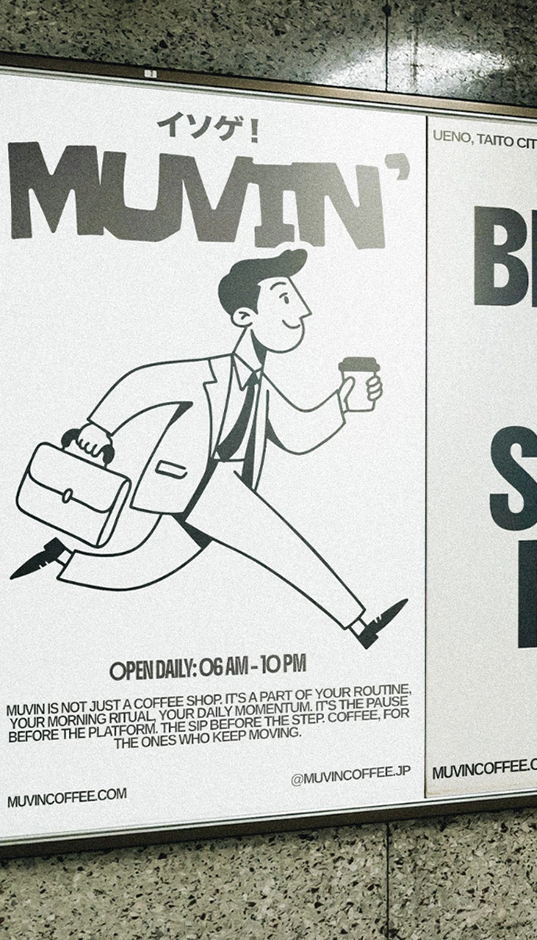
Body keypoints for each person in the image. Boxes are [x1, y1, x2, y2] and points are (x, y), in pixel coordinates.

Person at [11, 248, 406, 648]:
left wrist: (342, 403)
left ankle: (61, 557)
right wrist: (99, 427)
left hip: (219, 487)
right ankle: (359, 623)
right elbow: (143, 383)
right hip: (200, 485)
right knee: (281, 546)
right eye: (285, 298)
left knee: (141, 566)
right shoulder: (206, 373)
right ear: (245, 316)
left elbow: (295, 436)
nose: (301, 310)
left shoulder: (262, 388)